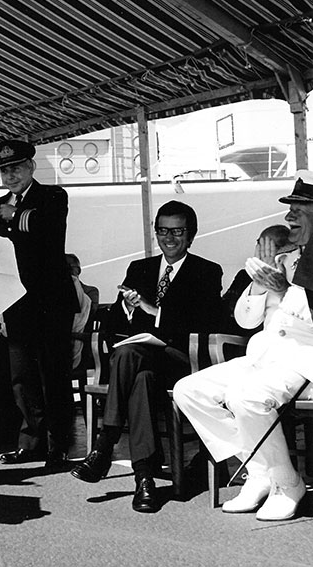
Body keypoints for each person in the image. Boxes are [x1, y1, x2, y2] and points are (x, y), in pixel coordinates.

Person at [173, 171, 313, 521]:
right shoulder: (290, 257)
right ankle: (260, 469)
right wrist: (262, 285)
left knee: (245, 397)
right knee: (188, 390)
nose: (289, 216)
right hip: (264, 357)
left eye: (298, 208)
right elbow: (247, 321)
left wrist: (283, 290)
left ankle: (285, 482)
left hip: (303, 360)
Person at [71, 200, 224, 512]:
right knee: (138, 378)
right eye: (163, 231)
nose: (169, 238)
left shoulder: (206, 271)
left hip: (180, 362)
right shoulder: (139, 269)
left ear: (191, 235)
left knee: (129, 355)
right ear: (155, 233)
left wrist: (152, 311)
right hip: (141, 364)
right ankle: (145, 481)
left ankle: (105, 443)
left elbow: (202, 324)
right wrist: (127, 307)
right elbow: (113, 323)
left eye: (177, 231)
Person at [0, 140, 79, 470]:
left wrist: (14, 216)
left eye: (16, 168)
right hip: (15, 301)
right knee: (22, 377)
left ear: (31, 167)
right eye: (4, 170)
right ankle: (30, 441)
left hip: (50, 303)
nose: (10, 175)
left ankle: (59, 444)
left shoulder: (53, 197)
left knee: (53, 374)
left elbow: (46, 237)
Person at [221, 224, 291, 335]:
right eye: (262, 246)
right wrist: (258, 287)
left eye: (274, 247)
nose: (266, 253)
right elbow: (240, 320)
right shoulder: (245, 276)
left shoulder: (296, 276)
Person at [66, 253, 97, 370]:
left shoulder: (89, 292)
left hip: (76, 341)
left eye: (69, 267)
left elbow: (88, 319)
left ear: (77, 270)